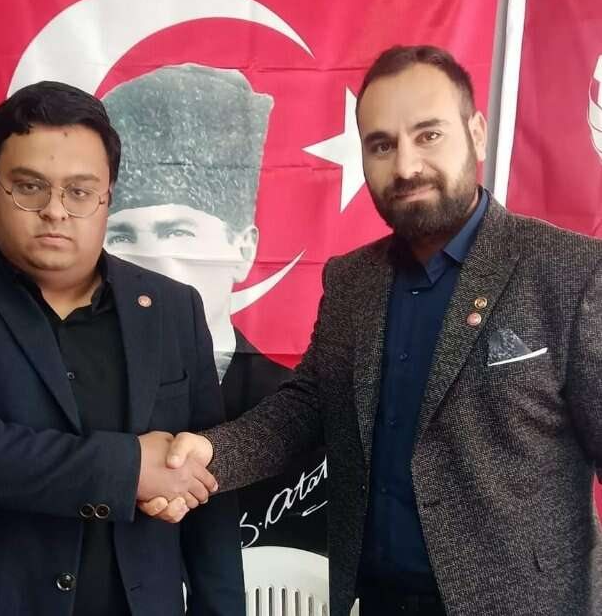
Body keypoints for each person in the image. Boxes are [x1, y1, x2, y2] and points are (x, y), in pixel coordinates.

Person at [141, 46, 602, 616]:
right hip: (375, 600)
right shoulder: (352, 279)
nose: (405, 167)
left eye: (428, 135)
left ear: (477, 134)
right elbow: (307, 408)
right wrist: (210, 455)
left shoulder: (570, 272)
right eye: (382, 145)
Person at [0, 81, 244, 616]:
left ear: (107, 197)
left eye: (79, 191)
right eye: (29, 187)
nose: (54, 210)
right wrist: (127, 468)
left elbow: (206, 482)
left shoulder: (172, 307)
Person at [103, 64, 327, 553]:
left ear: (242, 250)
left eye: (177, 233)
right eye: (121, 236)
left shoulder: (291, 408)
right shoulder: (82, 394)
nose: (153, 263)